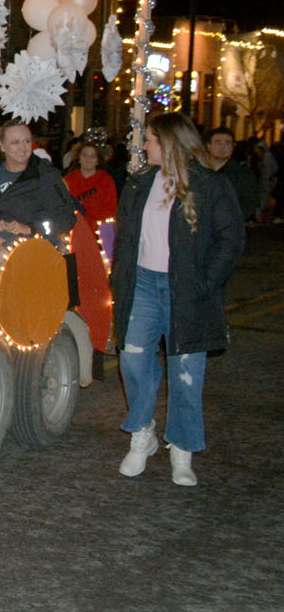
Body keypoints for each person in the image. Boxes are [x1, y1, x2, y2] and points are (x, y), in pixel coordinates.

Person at [113, 113, 245, 486]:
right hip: (142, 285)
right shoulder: (139, 184)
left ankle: (183, 448)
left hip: (186, 291)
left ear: (169, 142)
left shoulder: (209, 186)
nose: (144, 145)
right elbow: (126, 238)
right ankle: (142, 433)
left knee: (186, 373)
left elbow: (231, 238)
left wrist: (206, 283)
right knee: (134, 362)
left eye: (150, 139)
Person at [0, 120, 77, 247]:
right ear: (2, 146)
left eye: (26, 141)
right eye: (15, 142)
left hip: (36, 246)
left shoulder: (45, 176)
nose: (23, 148)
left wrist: (31, 228)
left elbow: (66, 218)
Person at [204, 127, 260, 221]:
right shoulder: (198, 171)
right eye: (218, 143)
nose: (222, 147)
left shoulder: (243, 174)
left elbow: (249, 203)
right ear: (208, 146)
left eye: (227, 143)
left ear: (233, 147)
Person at [64, 141, 118, 225]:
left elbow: (112, 209)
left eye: (92, 156)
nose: (88, 159)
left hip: (99, 229)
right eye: (84, 155)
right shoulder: (68, 180)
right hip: (75, 228)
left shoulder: (106, 180)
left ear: (98, 161)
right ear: (79, 158)